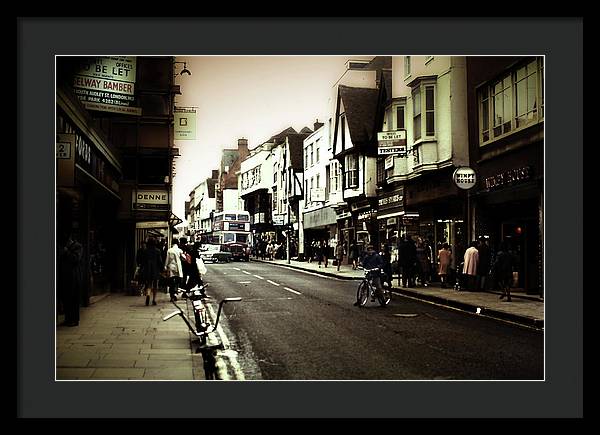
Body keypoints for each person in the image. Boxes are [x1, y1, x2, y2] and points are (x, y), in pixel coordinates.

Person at [57, 231, 83, 327]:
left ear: (70, 240)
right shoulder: (64, 248)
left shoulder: (78, 246)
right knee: (66, 299)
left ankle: (74, 320)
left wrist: (66, 252)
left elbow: (76, 259)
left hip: (74, 278)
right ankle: (68, 319)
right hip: (65, 278)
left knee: (74, 300)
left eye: (67, 241)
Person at [141, 237, 163, 306]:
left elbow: (143, 262)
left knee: (149, 284)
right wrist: (162, 269)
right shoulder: (158, 251)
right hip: (155, 270)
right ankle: (154, 300)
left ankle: (148, 294)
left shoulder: (145, 251)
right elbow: (160, 261)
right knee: (155, 285)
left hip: (147, 269)